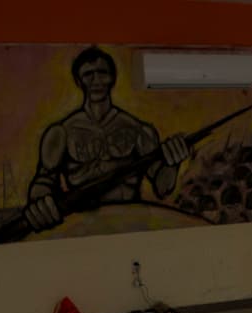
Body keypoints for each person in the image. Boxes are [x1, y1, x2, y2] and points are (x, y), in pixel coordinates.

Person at [23, 46, 192, 232]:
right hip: (82, 227)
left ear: (112, 78)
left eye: (102, 73)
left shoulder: (139, 130)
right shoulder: (60, 133)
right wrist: (40, 203)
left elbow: (162, 187)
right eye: (88, 74)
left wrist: (173, 163)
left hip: (131, 224)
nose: (96, 81)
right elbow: (43, 181)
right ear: (79, 81)